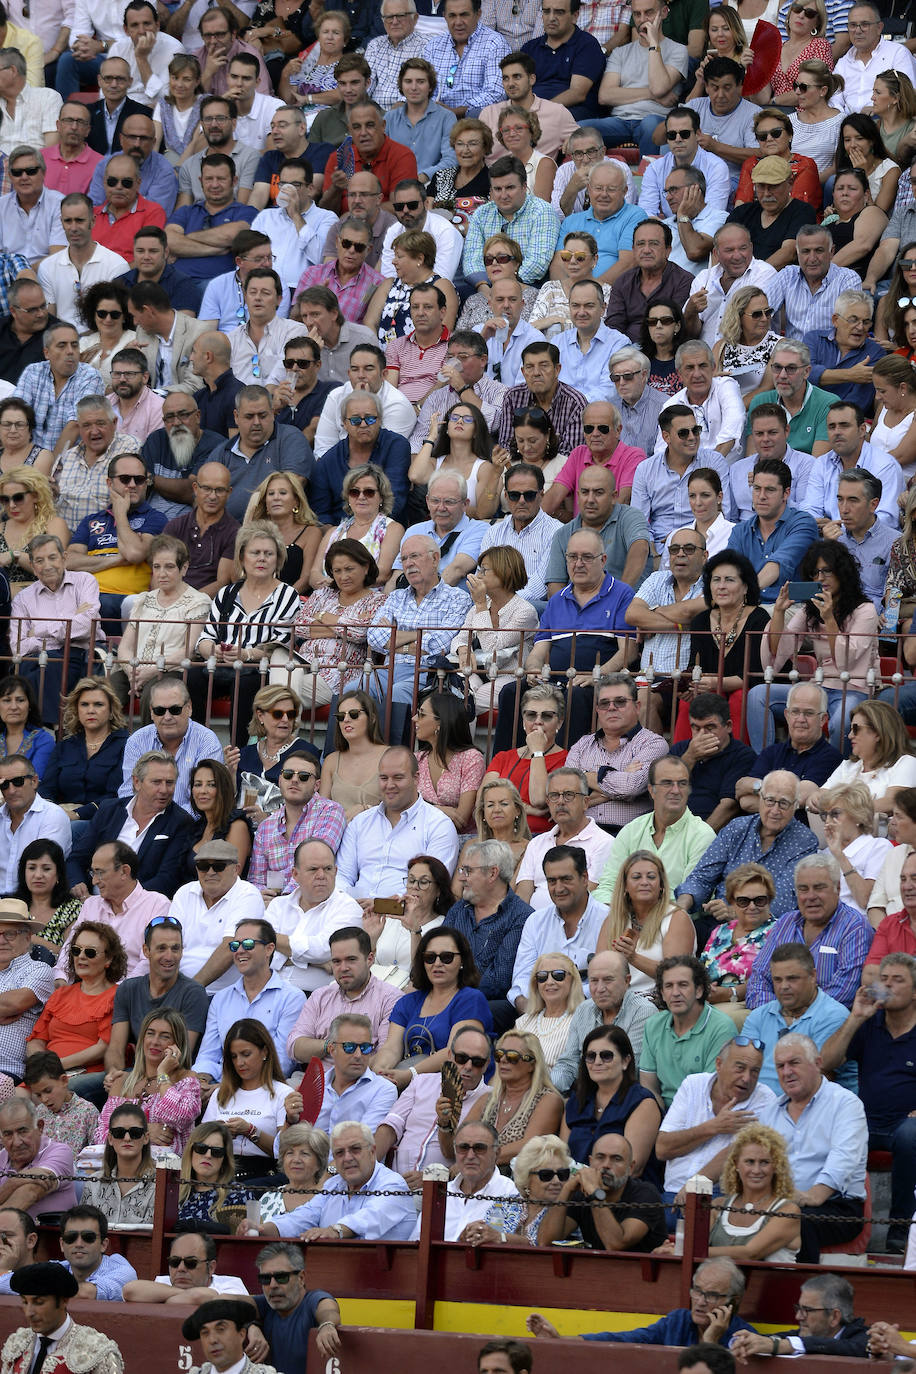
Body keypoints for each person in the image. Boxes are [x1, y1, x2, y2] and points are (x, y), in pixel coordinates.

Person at [757, 1031, 867, 1262]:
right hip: (779, 1203)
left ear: (817, 1064)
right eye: (780, 1066)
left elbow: (844, 1157)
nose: (786, 1072)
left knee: (795, 1220)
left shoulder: (845, 1103)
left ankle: (801, 1293)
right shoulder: (769, 1113)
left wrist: (815, 1194)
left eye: (794, 1063)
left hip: (836, 1206)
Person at [246, 1118, 415, 1240]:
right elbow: (305, 1215)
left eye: (355, 1149)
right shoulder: (334, 1185)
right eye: (340, 1153)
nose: (347, 1158)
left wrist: (336, 1230)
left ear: (372, 1152)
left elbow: (372, 1216)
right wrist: (263, 1229)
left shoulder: (393, 1184)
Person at [656, 1036, 776, 1202]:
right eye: (740, 1068)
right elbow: (662, 1148)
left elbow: (737, 1151)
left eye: (755, 1071)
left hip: (721, 1198)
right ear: (719, 1064)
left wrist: (695, 1185)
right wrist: (714, 1127)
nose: (747, 1078)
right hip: (672, 1192)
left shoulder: (764, 1099)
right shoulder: (693, 1085)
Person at [527, 1257, 754, 1344]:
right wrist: (561, 1340)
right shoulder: (678, 1320)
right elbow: (624, 1339)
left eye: (712, 1295)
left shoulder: (744, 1338)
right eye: (697, 1291)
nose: (701, 1301)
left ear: (733, 1301)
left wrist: (712, 1339)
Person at [27, 919, 125, 1097]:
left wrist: (57, 1065)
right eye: (76, 950)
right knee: (16, 1099)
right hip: (47, 1075)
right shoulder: (60, 994)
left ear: (109, 959)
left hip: (85, 1075)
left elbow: (104, 1048)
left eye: (90, 952)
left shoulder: (117, 995)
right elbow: (36, 1040)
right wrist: (41, 1066)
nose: (81, 956)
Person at [11, 537, 100, 726]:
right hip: (36, 658)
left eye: (52, 557)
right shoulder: (22, 598)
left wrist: (40, 630)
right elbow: (18, 646)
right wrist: (68, 625)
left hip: (80, 654)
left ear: (64, 558)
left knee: (50, 664)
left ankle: (43, 728)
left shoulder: (85, 581)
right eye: (40, 560)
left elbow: (86, 626)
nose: (47, 565)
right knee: (26, 667)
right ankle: (49, 727)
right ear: (33, 567)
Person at [286, 926, 403, 1070]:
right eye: (336, 961)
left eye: (351, 959)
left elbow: (386, 1055)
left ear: (370, 959)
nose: (343, 968)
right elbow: (295, 1048)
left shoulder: (390, 998)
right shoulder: (320, 996)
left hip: (364, 1084)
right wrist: (332, 1045)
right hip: (316, 1080)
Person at [640, 956, 749, 1108]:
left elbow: (711, 1093)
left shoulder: (721, 1027)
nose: (675, 993)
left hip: (703, 1114)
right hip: (661, 1116)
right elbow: (649, 1088)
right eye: (669, 986)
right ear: (662, 994)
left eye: (683, 985)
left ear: (699, 990)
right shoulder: (653, 1025)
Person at [198, 1017, 296, 1176]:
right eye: (234, 1056)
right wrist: (219, 1133)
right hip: (218, 1173)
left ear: (265, 1051)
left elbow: (285, 1152)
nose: (239, 1063)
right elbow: (200, 1145)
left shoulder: (283, 1094)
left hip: (263, 1175)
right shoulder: (220, 1094)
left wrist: (250, 1131)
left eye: (246, 1054)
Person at [630, 406, 730, 553]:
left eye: (696, 430)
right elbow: (639, 524)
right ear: (666, 437)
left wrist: (682, 537)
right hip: (658, 550)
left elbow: (725, 512)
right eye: (683, 433)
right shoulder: (645, 469)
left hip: (706, 545)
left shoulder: (714, 462)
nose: (692, 437)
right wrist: (655, 556)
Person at [117, 678, 221, 817]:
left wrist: (168, 823)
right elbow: (128, 793)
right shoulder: (137, 741)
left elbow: (206, 799)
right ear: (151, 712)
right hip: (144, 823)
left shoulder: (207, 741)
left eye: (175, 710)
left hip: (191, 828)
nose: (167, 717)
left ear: (189, 708)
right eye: (160, 710)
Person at [247, 752, 345, 893]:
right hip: (273, 906)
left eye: (303, 776)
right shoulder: (265, 827)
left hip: (314, 903)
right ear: (280, 780)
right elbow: (257, 880)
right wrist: (262, 895)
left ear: (317, 785)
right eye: (288, 774)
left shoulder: (330, 812)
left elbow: (315, 863)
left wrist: (285, 899)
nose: (294, 780)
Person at [0, 1263, 122, 1374]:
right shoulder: (17, 1343)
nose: (29, 1313)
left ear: (64, 1300)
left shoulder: (96, 1349)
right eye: (25, 1302)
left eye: (39, 1302)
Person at [244, 1242, 341, 1374]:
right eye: (265, 1279)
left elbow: (328, 1309)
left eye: (281, 1277)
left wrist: (327, 1324)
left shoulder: (311, 1300)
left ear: (301, 1278)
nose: (272, 1285)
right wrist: (250, 1325)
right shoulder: (265, 1305)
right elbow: (224, 1303)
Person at [37, 195, 129, 330]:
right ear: (61, 222)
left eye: (79, 220)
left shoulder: (116, 265)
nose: (73, 227)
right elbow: (49, 317)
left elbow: (118, 318)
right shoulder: (47, 267)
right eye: (68, 221)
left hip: (103, 340)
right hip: (61, 342)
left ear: (92, 221)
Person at [670, 695, 756, 833]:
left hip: (711, 834)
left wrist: (699, 839)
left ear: (728, 726)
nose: (702, 735)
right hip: (672, 827)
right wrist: (690, 757)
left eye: (710, 727)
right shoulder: (680, 750)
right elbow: (662, 790)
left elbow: (728, 808)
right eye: (696, 728)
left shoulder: (743, 756)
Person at [733, 1274, 868, 1361]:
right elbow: (772, 1340)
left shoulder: (866, 1339)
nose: (798, 1316)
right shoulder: (803, 1334)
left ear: (834, 1317)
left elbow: (849, 1347)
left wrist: (784, 1346)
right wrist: (743, 1343)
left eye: (807, 1310)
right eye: (799, 1308)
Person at [686, 221, 777, 349]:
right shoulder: (703, 278)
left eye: (743, 248)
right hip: (704, 361)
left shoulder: (765, 274)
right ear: (716, 253)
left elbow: (754, 322)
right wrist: (691, 312)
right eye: (729, 250)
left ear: (751, 247)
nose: (737, 256)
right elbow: (691, 334)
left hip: (748, 358)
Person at [699, 865, 776, 1017]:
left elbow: (770, 978)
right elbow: (701, 968)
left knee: (715, 1019)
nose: (752, 906)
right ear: (732, 902)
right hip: (709, 998)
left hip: (746, 1002)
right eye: (743, 901)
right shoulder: (721, 931)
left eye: (759, 900)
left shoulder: (778, 931)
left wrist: (730, 993)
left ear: (770, 900)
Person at [0, 762, 70, 897]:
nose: (11, 790)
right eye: (4, 784)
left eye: (18, 782)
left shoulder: (52, 815)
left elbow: (42, 871)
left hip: (34, 900)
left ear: (34, 781)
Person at [0, 1097, 76, 1219]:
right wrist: (13, 1182)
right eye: (8, 1134)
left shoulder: (60, 1152)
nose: (17, 1142)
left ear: (40, 1127)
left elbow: (30, 1192)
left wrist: (12, 1182)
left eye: (23, 1131)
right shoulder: (1, 1157)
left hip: (52, 1237)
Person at [122, 1231, 250, 1303]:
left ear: (211, 1268)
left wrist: (167, 1298)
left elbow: (206, 1296)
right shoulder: (164, 1281)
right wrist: (185, 1295)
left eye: (191, 1263)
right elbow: (129, 1290)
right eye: (174, 1262)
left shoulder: (231, 1284)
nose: (181, 1268)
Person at [318, 690, 388, 821]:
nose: (346, 720)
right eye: (340, 716)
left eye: (354, 714)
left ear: (372, 718)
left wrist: (365, 809)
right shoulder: (331, 761)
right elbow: (322, 812)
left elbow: (400, 807)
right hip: (338, 834)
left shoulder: (390, 757)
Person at [735, 107, 821, 211]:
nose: (769, 139)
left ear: (790, 135)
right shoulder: (751, 164)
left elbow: (798, 208)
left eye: (776, 133)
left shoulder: (805, 165)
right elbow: (741, 206)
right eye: (762, 136)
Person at [56, 1204, 138, 1299]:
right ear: (62, 1244)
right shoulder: (58, 1268)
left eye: (88, 1237)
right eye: (71, 1237)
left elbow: (86, 1294)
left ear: (103, 1245)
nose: (79, 1244)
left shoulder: (122, 1271)